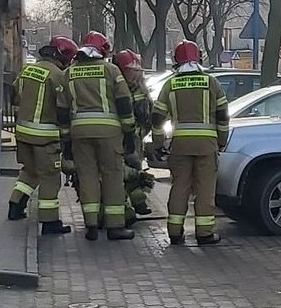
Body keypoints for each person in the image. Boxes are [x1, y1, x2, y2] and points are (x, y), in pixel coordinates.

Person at [62, 31, 139, 241]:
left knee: (87, 177)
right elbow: (124, 102)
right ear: (103, 50)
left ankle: (91, 224)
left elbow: (62, 109)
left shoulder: (69, 72)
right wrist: (129, 133)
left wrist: (66, 142)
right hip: (109, 133)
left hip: (79, 133)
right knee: (112, 176)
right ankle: (115, 226)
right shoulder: (111, 70)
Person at [152, 40, 229, 246]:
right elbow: (222, 116)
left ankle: (175, 232)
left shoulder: (170, 84)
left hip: (180, 146)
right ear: (198, 58)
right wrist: (221, 141)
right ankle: (204, 233)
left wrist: (158, 143)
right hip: (206, 146)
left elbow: (158, 117)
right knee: (205, 189)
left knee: (180, 187)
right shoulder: (211, 82)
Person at [7, 36, 78, 236]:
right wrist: (66, 137)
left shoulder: (26, 70)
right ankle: (50, 222)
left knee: (30, 171)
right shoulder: (57, 75)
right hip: (45, 137)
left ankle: (15, 206)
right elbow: (63, 108)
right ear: (63, 57)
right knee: (50, 178)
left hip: (22, 133)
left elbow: (14, 95)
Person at [113, 49, 154, 219]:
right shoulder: (115, 87)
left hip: (135, 138)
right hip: (118, 138)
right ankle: (124, 209)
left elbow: (147, 114)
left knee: (134, 171)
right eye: (131, 71)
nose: (135, 75)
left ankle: (139, 203)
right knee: (120, 174)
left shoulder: (139, 89)